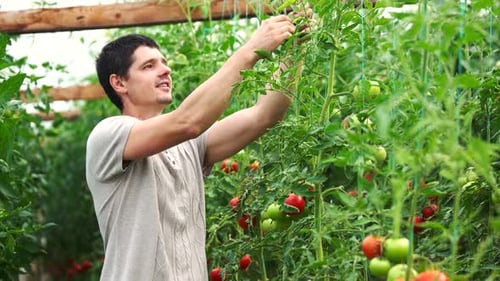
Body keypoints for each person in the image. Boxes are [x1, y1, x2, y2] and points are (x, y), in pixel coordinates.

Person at [86, 10, 308, 281]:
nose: (165, 70)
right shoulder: (109, 135)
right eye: (148, 66)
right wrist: (251, 49)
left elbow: (263, 116)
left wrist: (296, 50)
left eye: (164, 63)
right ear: (119, 82)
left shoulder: (189, 146)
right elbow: (188, 121)